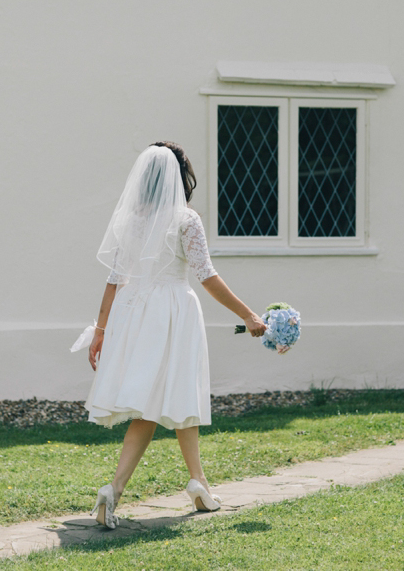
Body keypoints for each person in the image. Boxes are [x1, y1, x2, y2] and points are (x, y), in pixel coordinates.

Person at [83, 142, 267, 529]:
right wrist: (249, 314)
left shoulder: (129, 221)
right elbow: (207, 276)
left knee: (156, 401)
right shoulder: (186, 220)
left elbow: (114, 282)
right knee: (176, 392)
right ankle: (156, 485)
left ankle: (188, 483)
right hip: (173, 311)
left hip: (134, 314)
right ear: (180, 176)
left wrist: (100, 331)